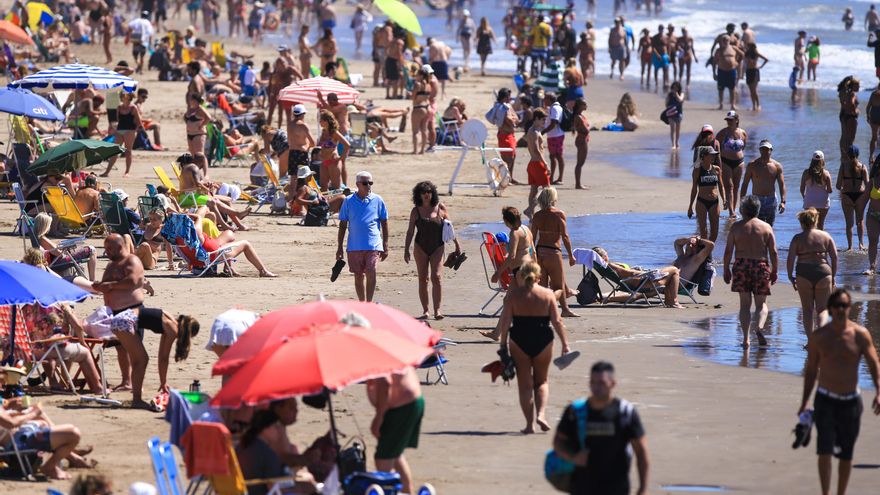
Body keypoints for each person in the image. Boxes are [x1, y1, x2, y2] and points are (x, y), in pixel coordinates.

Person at [93, 234, 200, 406]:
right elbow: (163, 358)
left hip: (122, 319)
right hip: (123, 320)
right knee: (141, 360)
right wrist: (163, 381)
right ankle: (136, 400)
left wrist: (163, 382)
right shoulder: (172, 329)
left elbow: (134, 284)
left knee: (139, 359)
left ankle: (135, 395)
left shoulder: (167, 316)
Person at [798, 288, 880, 495]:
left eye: (845, 305)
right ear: (831, 309)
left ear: (849, 308)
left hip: (851, 402)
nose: (841, 309)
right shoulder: (819, 337)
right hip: (825, 399)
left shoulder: (860, 335)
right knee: (824, 451)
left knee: (846, 454)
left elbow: (873, 364)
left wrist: (879, 391)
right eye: (837, 306)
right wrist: (804, 401)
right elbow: (810, 372)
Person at [553, 361, 649, 495]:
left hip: (617, 488)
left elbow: (641, 451)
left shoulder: (625, 412)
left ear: (613, 383)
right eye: (593, 382)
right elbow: (558, 442)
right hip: (582, 487)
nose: (596, 387)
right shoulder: (575, 411)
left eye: (601, 383)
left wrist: (643, 488)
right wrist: (573, 458)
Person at [497, 262, 570, 434]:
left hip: (519, 340)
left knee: (525, 385)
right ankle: (542, 415)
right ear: (539, 277)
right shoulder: (548, 294)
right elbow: (557, 321)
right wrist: (565, 345)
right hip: (543, 339)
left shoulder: (513, 296)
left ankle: (530, 425)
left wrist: (502, 345)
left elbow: (506, 322)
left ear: (521, 276)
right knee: (542, 381)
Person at [722, 195, 778, 348]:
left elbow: (728, 251)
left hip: (741, 265)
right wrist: (775, 270)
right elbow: (773, 252)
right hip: (760, 265)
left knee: (745, 305)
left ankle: (746, 339)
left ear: (743, 210)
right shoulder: (766, 227)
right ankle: (759, 328)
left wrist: (726, 269)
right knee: (761, 304)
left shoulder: (736, 227)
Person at [404, 181, 462, 320]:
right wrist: (406, 249)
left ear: (433, 193)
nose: (426, 195)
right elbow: (410, 232)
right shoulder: (416, 210)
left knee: (436, 277)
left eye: (429, 192)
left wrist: (457, 245)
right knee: (423, 279)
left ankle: (437, 310)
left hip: (438, 247)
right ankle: (425, 310)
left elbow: (450, 228)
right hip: (420, 247)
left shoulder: (440, 207)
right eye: (423, 192)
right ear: (418, 194)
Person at [367, 367, 425, 495]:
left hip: (402, 406)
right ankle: (407, 491)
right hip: (413, 401)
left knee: (383, 458)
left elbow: (385, 382)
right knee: (394, 453)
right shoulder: (390, 348)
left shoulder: (377, 351)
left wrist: (379, 416)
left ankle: (391, 490)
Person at [336, 171, 388, 302]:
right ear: (358, 184)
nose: (368, 186)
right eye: (365, 183)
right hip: (354, 246)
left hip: (373, 244)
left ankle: (369, 303)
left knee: (371, 272)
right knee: (358, 276)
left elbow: (384, 222)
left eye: (370, 183)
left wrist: (385, 245)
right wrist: (339, 248)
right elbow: (343, 225)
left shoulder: (378, 200)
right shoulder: (348, 201)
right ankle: (362, 302)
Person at [0, 401, 85, 480]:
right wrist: (34, 412)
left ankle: (71, 456)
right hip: (19, 443)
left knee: (43, 419)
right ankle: (49, 467)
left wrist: (9, 404)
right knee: (73, 433)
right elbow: (11, 423)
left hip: (21, 436)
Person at [787, 208, 837, 339]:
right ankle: (822, 339)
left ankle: (811, 341)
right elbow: (834, 257)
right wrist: (833, 277)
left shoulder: (797, 238)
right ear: (816, 221)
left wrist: (790, 276)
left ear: (802, 223)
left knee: (807, 310)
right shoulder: (825, 236)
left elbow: (791, 258)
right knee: (822, 309)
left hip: (803, 272)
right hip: (823, 271)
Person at [530, 188, 577, 317]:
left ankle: (544, 311)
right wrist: (571, 255)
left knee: (543, 285)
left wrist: (532, 255)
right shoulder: (558, 214)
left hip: (540, 251)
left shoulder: (537, 216)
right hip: (553, 252)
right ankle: (565, 310)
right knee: (559, 285)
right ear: (553, 199)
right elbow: (565, 236)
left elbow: (532, 237)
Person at [592, 246, 683, 308]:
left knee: (671, 274)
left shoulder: (602, 267)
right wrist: (643, 273)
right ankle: (673, 302)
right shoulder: (610, 265)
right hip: (642, 283)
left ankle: (669, 301)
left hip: (635, 284)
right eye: (606, 255)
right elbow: (628, 273)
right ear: (604, 257)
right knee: (674, 270)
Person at [33, 213, 98, 282]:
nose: (50, 227)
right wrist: (65, 247)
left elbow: (54, 250)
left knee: (81, 249)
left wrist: (61, 247)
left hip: (55, 259)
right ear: (45, 226)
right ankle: (92, 282)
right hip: (58, 261)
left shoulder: (37, 237)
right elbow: (59, 254)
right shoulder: (42, 239)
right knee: (92, 250)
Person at [741, 139, 786, 227]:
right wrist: (742, 201)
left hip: (771, 199)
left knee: (769, 227)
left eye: (767, 149)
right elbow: (745, 184)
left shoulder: (777, 166)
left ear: (771, 150)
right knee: (757, 226)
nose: (764, 151)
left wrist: (783, 201)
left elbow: (782, 184)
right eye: (762, 149)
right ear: (759, 150)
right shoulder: (752, 165)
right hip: (757, 200)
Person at [688, 147, 725, 242]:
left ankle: (708, 252)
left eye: (714, 155)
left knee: (715, 232)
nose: (713, 156)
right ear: (703, 156)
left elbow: (721, 186)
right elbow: (694, 189)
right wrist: (690, 206)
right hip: (702, 202)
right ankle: (706, 255)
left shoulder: (717, 169)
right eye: (711, 155)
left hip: (714, 202)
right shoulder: (697, 170)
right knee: (703, 231)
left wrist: (724, 199)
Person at [837, 145, 869, 251]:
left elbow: (837, 185)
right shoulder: (863, 167)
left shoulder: (843, 166)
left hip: (847, 196)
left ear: (847, 155)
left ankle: (850, 247)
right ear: (858, 154)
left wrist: (844, 187)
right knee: (860, 221)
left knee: (849, 223)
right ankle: (861, 244)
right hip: (860, 196)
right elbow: (868, 184)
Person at [102, 93, 142, 177]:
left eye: (124, 97)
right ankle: (107, 172)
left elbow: (138, 121)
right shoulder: (119, 107)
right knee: (115, 151)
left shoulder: (133, 108)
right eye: (122, 97)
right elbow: (117, 120)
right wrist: (112, 128)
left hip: (130, 131)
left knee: (128, 152)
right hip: (119, 130)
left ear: (129, 98)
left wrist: (137, 130)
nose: (123, 98)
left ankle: (127, 172)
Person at [716, 111, 748, 217]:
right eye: (727, 120)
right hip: (726, 161)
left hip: (739, 162)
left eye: (731, 120)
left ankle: (734, 209)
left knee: (736, 186)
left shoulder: (742, 133)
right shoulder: (722, 133)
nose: (729, 122)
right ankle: (731, 211)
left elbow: (744, 146)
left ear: (737, 120)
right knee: (729, 186)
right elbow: (716, 146)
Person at [525, 109, 550, 219]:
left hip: (532, 163)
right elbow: (536, 150)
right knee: (547, 189)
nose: (545, 121)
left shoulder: (533, 130)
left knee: (534, 189)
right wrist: (545, 163)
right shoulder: (534, 132)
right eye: (543, 119)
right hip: (537, 163)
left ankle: (531, 213)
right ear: (536, 119)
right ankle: (531, 209)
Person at [317, 110, 350, 191]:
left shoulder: (334, 133)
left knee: (336, 188)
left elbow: (347, 145)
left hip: (333, 162)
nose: (319, 122)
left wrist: (341, 158)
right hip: (324, 162)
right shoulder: (323, 132)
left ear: (326, 121)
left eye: (321, 120)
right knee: (323, 187)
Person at [801, 150, 833, 230]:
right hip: (823, 202)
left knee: (809, 226)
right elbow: (830, 190)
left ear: (812, 160)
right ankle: (820, 241)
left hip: (809, 202)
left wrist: (804, 197)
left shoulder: (806, 173)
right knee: (821, 225)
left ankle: (810, 242)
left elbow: (802, 189)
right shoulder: (826, 173)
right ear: (822, 161)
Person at [183, 93, 213, 176]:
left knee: (200, 154)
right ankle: (196, 173)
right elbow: (186, 118)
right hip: (190, 134)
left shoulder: (200, 109)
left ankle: (206, 174)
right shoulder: (190, 109)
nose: (190, 101)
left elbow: (209, 117)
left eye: (192, 99)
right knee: (193, 155)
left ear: (196, 100)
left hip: (198, 134)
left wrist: (201, 125)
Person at [494, 88, 520, 184]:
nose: (510, 98)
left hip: (511, 134)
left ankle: (510, 177)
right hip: (504, 135)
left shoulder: (508, 106)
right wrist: (513, 120)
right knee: (507, 158)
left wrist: (513, 119)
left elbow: (515, 118)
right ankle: (505, 178)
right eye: (508, 96)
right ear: (505, 97)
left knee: (513, 156)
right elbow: (509, 120)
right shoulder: (500, 107)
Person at [713, 35, 743, 110]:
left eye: (727, 40)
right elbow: (714, 62)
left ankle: (733, 104)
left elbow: (742, 54)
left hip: (731, 71)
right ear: (721, 41)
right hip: (721, 71)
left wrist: (737, 62)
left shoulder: (733, 48)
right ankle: (721, 104)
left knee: (732, 88)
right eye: (724, 40)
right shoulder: (719, 50)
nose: (725, 41)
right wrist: (714, 73)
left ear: (729, 41)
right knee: (720, 89)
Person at [287, 104, 315, 174]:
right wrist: (307, 147)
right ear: (302, 114)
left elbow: (289, 140)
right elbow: (313, 143)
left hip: (292, 153)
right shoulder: (303, 125)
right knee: (305, 178)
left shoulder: (289, 125)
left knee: (293, 178)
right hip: (301, 153)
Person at [410, 70, 432, 155]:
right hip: (427, 107)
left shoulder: (417, 84)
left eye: (417, 75)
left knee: (415, 131)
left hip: (418, 107)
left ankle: (415, 150)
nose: (416, 76)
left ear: (421, 76)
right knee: (424, 130)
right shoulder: (428, 85)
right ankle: (422, 150)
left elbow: (413, 97)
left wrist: (410, 94)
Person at [839, 77, 860, 156]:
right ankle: (849, 155)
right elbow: (851, 103)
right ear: (853, 86)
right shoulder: (852, 94)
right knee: (851, 139)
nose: (859, 87)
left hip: (844, 115)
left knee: (844, 136)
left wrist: (846, 107)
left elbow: (843, 103)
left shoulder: (845, 92)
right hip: (851, 117)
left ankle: (843, 154)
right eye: (857, 86)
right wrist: (855, 111)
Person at [744, 43, 768, 111]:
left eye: (748, 46)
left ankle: (758, 105)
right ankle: (753, 106)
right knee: (751, 90)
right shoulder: (746, 53)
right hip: (748, 71)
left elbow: (766, 59)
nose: (747, 47)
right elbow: (745, 62)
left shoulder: (756, 54)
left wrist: (760, 67)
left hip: (755, 71)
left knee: (754, 90)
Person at [572, 98, 590, 190]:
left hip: (583, 139)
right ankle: (578, 184)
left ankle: (578, 183)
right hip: (581, 140)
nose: (586, 106)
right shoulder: (578, 117)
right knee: (580, 163)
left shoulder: (581, 116)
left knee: (581, 162)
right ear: (580, 106)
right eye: (584, 104)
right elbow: (585, 130)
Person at [868, 157, 880, 275]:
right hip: (873, 215)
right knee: (873, 241)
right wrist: (859, 214)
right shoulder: (872, 180)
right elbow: (864, 197)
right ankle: (872, 267)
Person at [650, 24, 670, 91]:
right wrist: (657, 54)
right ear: (658, 29)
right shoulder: (655, 37)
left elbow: (668, 46)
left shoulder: (666, 37)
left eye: (662, 29)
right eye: (660, 29)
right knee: (656, 69)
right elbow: (653, 48)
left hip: (664, 55)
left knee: (665, 69)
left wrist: (668, 55)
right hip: (656, 55)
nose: (661, 30)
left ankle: (665, 82)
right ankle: (656, 83)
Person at [665, 81, 683, 149]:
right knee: (672, 128)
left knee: (678, 129)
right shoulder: (669, 94)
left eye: (676, 87)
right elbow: (666, 103)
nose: (675, 89)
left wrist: (676, 94)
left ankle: (677, 142)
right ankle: (673, 144)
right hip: (671, 113)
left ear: (679, 88)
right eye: (674, 87)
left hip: (678, 113)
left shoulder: (681, 94)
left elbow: (680, 100)